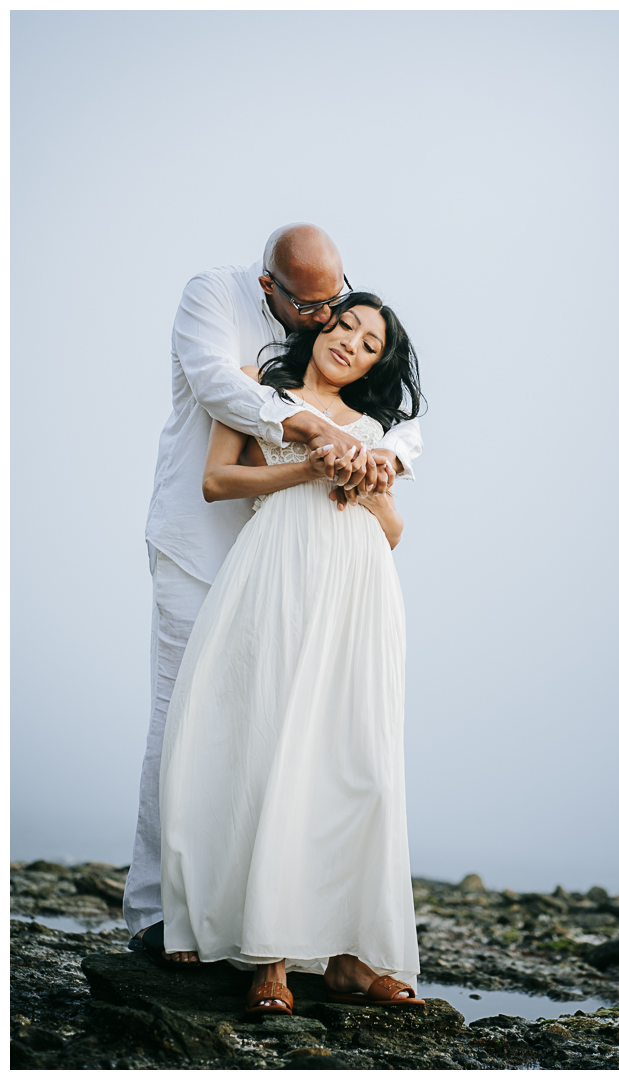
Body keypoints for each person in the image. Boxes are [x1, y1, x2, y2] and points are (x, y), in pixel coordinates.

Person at [124, 224, 423, 966]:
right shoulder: (213, 298)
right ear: (271, 290)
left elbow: (394, 486)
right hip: (201, 546)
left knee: (287, 733)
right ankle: (161, 912)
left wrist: (373, 449)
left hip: (293, 565)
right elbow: (217, 385)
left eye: (340, 302)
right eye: (317, 309)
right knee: (187, 718)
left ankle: (271, 909)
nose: (333, 321)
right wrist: (311, 432)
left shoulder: (336, 341)